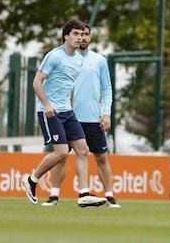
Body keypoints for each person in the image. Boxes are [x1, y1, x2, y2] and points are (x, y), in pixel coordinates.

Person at [21, 18, 107, 207]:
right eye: (75, 34)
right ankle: (31, 180)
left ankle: (84, 194)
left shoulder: (78, 59)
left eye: (81, 34)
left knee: (83, 150)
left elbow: (69, 87)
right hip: (49, 112)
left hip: (67, 112)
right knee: (61, 152)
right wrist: (47, 104)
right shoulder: (54, 56)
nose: (79, 37)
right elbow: (36, 82)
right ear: (66, 36)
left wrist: (71, 106)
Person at [43, 24, 120, 208]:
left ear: (90, 37)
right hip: (69, 116)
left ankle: (109, 195)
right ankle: (54, 195)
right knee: (61, 156)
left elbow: (107, 88)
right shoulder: (65, 58)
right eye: (79, 34)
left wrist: (106, 113)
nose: (83, 38)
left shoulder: (99, 60)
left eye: (86, 34)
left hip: (93, 118)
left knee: (101, 157)